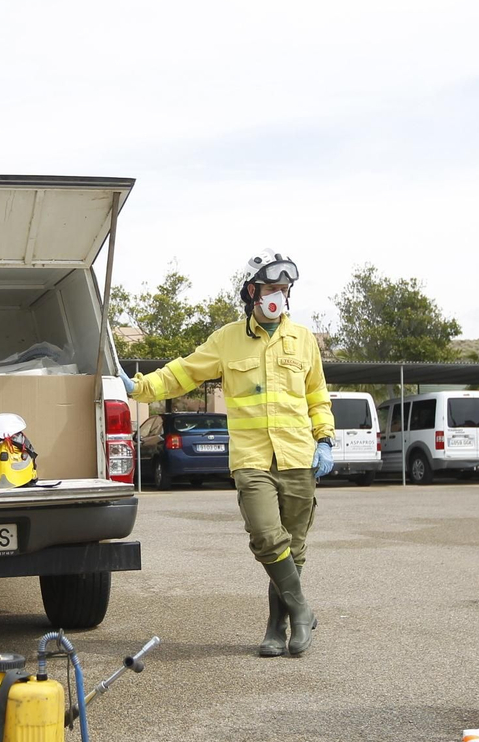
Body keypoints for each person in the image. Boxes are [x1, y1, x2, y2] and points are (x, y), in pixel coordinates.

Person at [120, 249, 336, 657]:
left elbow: (317, 396)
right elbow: (182, 372)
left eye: (284, 289)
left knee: (295, 545)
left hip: (297, 458)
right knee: (266, 537)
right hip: (252, 459)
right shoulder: (227, 339)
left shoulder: (303, 340)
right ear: (252, 291)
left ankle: (278, 627)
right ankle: (303, 610)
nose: (279, 296)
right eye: (272, 288)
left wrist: (324, 439)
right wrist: (140, 388)